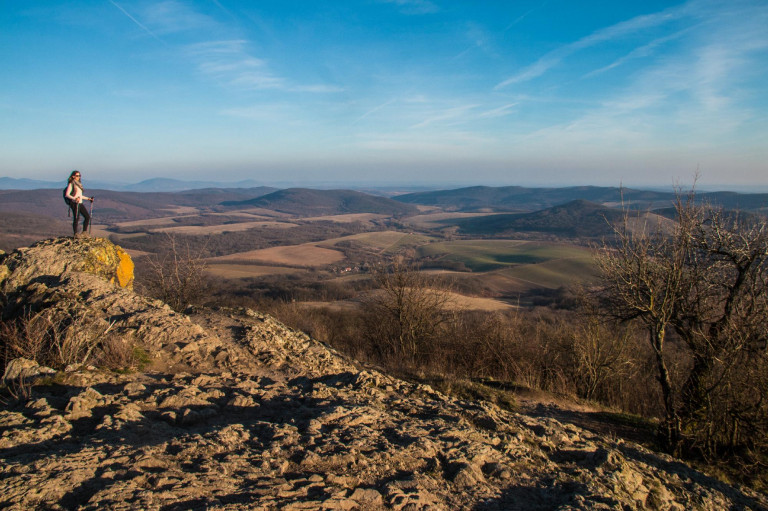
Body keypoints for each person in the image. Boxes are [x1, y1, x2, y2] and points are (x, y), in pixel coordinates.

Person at [64, 170, 94, 237]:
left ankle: (84, 232)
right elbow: (67, 194)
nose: (79, 177)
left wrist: (88, 199)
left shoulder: (78, 184)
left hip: (80, 203)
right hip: (74, 203)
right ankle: (76, 234)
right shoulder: (71, 184)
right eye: (77, 176)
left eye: (79, 175)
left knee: (87, 216)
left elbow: (80, 196)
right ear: (73, 176)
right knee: (76, 218)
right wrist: (75, 199)